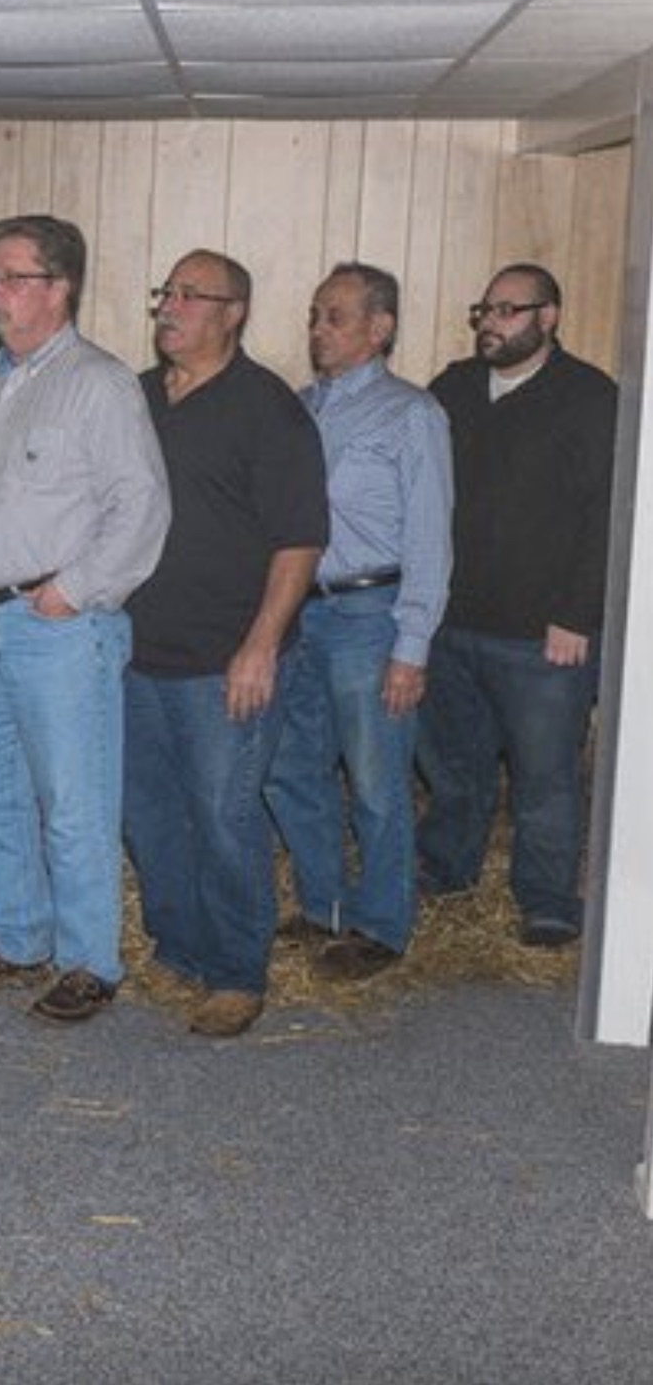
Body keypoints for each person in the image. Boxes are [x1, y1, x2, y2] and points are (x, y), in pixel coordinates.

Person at [0, 214, 169, 1025]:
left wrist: (77, 590)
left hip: (59, 627)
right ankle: (17, 936)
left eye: (8, 277)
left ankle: (87, 960)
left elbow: (141, 504)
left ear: (56, 288)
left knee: (73, 802)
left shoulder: (99, 384)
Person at [122, 251, 328, 1037]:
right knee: (148, 813)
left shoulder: (266, 409)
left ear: (233, 312)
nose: (169, 307)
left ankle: (239, 973)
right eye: (165, 292)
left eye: (189, 296)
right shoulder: (140, 398)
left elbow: (300, 541)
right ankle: (181, 949)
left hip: (225, 662)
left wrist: (262, 647)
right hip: (135, 655)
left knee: (224, 816)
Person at [264, 263, 452, 981]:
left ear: (381, 329)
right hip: (297, 611)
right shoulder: (301, 408)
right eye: (315, 315)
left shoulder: (412, 414)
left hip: (370, 613)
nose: (318, 330)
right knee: (287, 766)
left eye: (335, 317)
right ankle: (324, 906)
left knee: (375, 777)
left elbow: (433, 537)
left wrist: (413, 644)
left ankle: (382, 923)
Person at [418, 265, 616, 947]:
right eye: (485, 309)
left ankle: (547, 899)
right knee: (453, 765)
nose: (490, 323)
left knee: (546, 776)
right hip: (451, 622)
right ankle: (446, 872)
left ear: (549, 317)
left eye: (508, 310)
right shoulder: (455, 389)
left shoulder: (590, 398)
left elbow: (608, 517)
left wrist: (576, 614)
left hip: (543, 636)